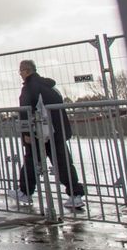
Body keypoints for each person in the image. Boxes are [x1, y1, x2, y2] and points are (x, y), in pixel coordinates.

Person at [7, 60, 86, 209]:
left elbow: (25, 111)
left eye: (21, 71)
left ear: (26, 71)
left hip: (39, 133)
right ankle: (75, 195)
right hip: (57, 131)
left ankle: (25, 191)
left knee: (31, 160)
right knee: (63, 163)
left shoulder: (29, 88)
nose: (20, 75)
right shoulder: (51, 87)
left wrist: (26, 133)